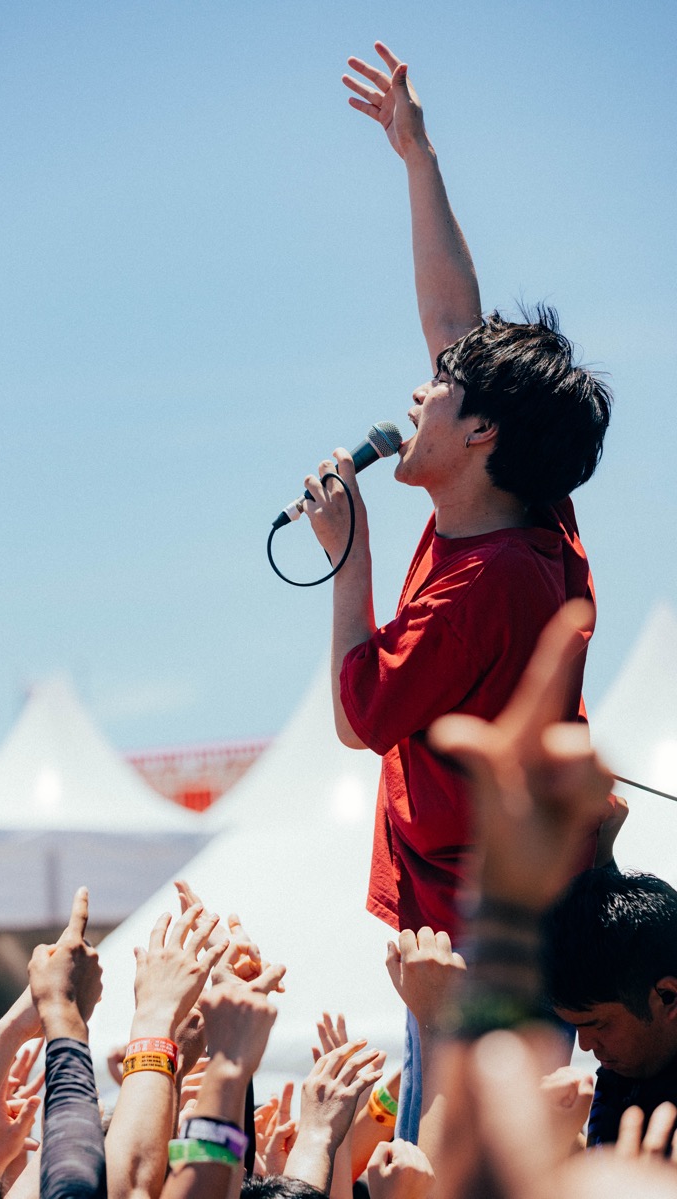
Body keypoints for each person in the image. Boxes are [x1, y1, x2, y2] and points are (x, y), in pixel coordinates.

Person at [302, 40, 611, 1141]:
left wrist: (348, 553)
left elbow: (358, 715)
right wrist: (415, 155)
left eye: (439, 389)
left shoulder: (478, 589)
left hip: (481, 951)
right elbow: (456, 324)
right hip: (500, 927)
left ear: (479, 432)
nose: (419, 389)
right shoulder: (529, 515)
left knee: (452, 1166)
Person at [544, 868, 677, 1147]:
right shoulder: (629, 1067)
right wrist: (564, 1135)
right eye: (576, 1027)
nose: (584, 1045)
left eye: (600, 1025)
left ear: (667, 995)